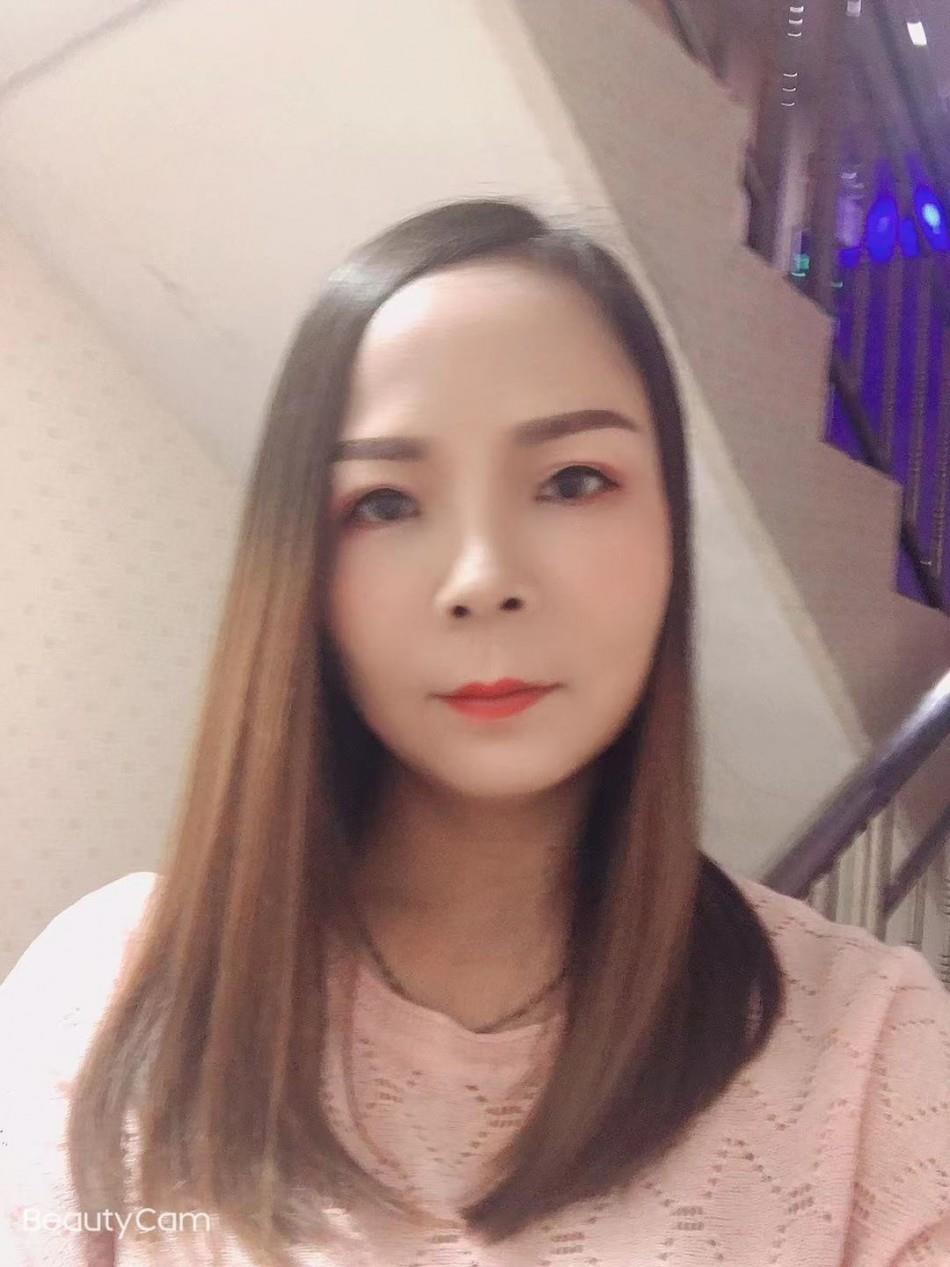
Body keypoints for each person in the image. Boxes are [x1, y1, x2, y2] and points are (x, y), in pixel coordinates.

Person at [1, 198, 948, 1267]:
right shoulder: (107, 991)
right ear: (301, 570)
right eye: (385, 503)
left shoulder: (874, 1054)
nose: (483, 577)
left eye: (573, 481)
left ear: (670, 534)